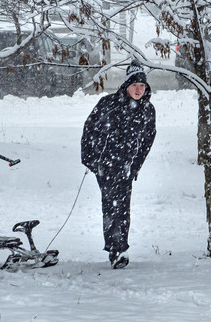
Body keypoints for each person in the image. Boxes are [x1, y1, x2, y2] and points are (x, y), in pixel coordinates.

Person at [81, 60, 156, 269]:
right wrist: (93, 161)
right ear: (126, 86)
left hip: (126, 168)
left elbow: (147, 141)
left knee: (123, 208)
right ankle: (116, 249)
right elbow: (89, 131)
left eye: (142, 86)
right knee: (112, 206)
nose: (139, 90)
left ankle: (119, 248)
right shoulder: (108, 104)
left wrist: (135, 166)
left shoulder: (147, 110)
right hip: (106, 165)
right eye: (135, 85)